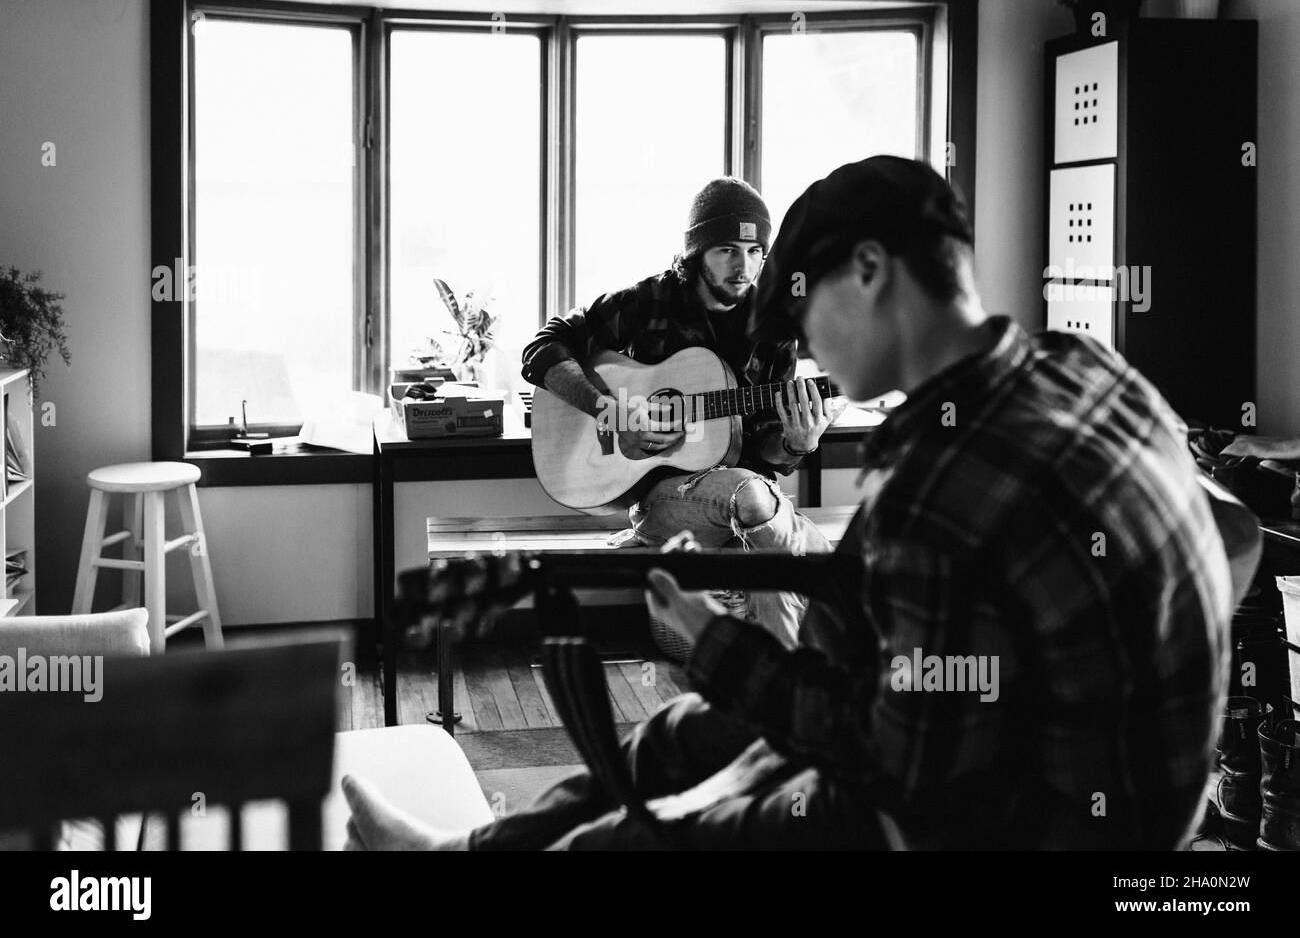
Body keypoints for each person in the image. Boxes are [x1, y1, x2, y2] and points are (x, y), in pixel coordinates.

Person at [344, 155, 1258, 851]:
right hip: (1080, 769)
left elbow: (886, 754)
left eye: (797, 308)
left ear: (870, 272)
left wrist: (716, 646)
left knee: (682, 823)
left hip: (1009, 818)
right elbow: (1232, 534)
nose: (793, 339)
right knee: (677, 732)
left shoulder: (935, 488)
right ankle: (469, 847)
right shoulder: (1088, 368)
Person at [519, 177, 838, 648]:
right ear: (696, 251)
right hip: (661, 504)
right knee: (752, 496)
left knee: (761, 536)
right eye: (727, 250)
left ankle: (783, 693)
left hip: (746, 511)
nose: (743, 266)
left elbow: (768, 453)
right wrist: (607, 408)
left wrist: (798, 441)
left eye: (756, 252)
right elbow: (542, 347)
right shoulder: (648, 301)